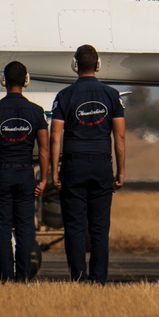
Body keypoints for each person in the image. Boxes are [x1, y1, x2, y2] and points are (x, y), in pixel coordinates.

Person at [50, 44, 126, 284]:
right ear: (98, 65)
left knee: (74, 226)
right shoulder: (112, 95)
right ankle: (99, 279)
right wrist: (121, 171)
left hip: (73, 165)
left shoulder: (64, 95)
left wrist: (54, 172)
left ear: (75, 66)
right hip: (102, 165)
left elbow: (55, 136)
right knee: (100, 228)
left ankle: (78, 278)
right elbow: (120, 137)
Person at [0, 61, 49, 282]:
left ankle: (6, 276)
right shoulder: (37, 112)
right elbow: (44, 149)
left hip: (1, 172)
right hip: (25, 172)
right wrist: (44, 179)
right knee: (26, 226)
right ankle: (24, 276)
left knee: (2, 226)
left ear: (3, 81)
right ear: (26, 81)